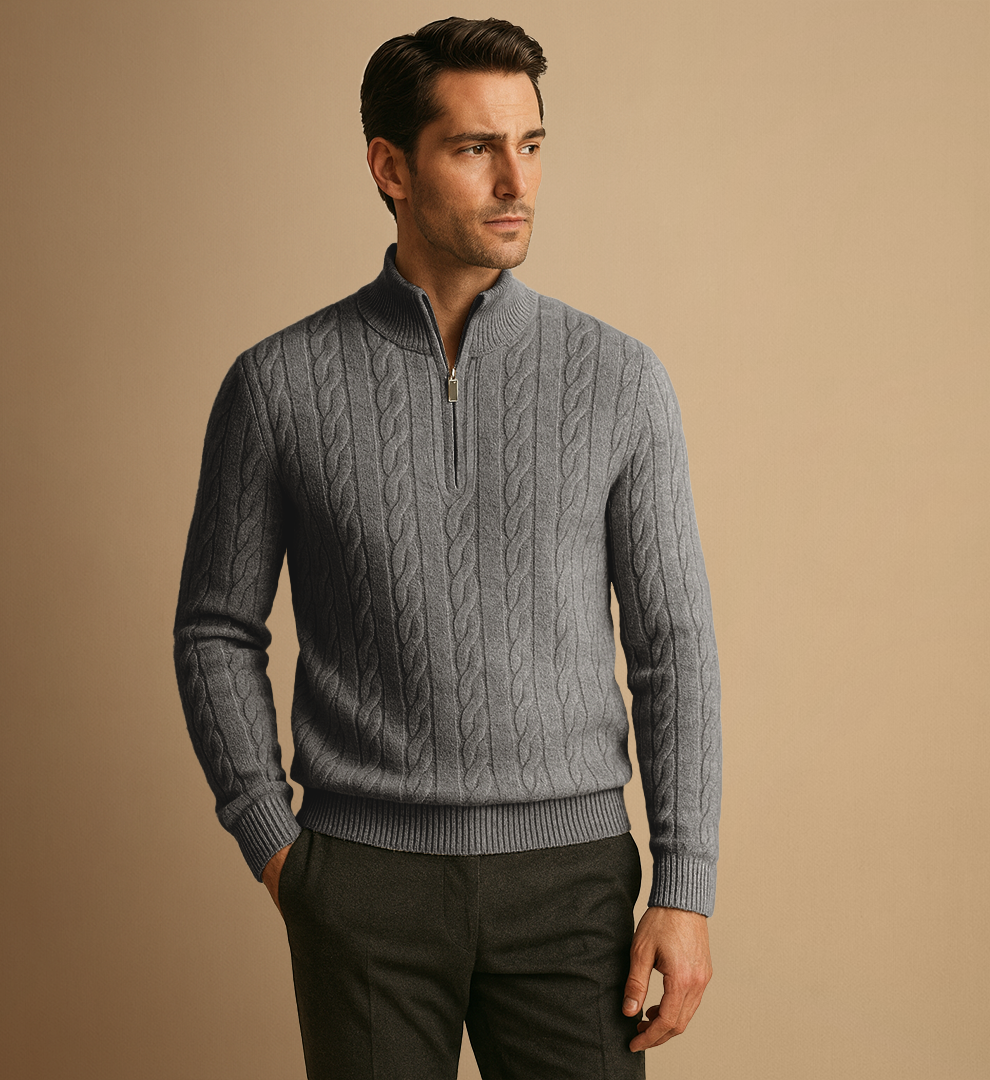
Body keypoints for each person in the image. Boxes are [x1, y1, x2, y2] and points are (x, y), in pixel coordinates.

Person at [174, 16, 721, 1080]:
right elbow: (214, 628)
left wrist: (686, 885)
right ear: (391, 167)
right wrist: (276, 846)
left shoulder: (621, 379)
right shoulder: (277, 386)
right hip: (362, 885)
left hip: (572, 885)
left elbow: (673, 646)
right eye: (476, 148)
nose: (516, 181)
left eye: (532, 144)